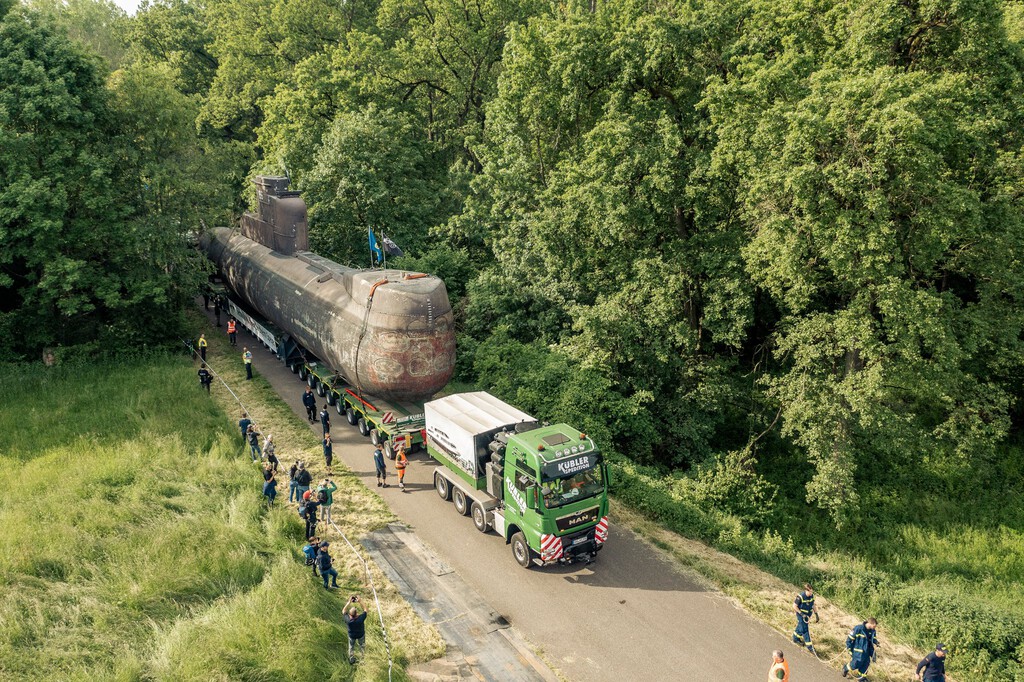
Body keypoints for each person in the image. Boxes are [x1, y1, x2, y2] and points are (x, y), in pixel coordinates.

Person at [792, 583, 819, 654]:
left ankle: (795, 638)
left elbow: (813, 605)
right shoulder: (801, 596)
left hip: (807, 615)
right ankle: (810, 648)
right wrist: (801, 614)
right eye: (810, 592)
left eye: (812, 592)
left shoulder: (812, 596)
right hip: (801, 615)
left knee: (800, 626)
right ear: (807, 590)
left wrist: (816, 614)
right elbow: (794, 606)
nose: (811, 593)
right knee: (805, 630)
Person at [344, 596, 368, 664]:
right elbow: (366, 610)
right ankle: (362, 659)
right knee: (362, 646)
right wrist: (360, 601)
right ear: (357, 614)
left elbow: (343, 611)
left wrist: (348, 602)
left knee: (351, 647)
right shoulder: (360, 618)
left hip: (352, 636)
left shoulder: (348, 620)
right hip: (361, 635)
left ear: (350, 615)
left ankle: (351, 658)